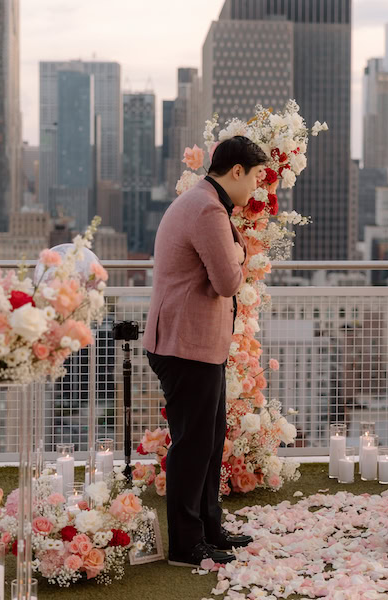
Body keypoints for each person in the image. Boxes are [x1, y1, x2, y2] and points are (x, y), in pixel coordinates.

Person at [144, 135, 268, 567]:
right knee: (193, 447)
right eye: (255, 177)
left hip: (196, 345)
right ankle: (186, 544)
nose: (256, 186)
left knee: (209, 442)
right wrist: (240, 250)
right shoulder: (207, 210)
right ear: (236, 171)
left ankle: (208, 528)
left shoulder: (204, 201)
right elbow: (228, 282)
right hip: (185, 346)